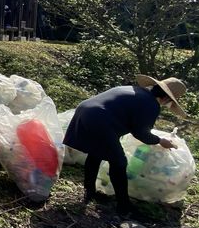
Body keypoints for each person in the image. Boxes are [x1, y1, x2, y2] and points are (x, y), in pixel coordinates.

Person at [63, 75, 185, 216]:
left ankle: (89, 191)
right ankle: (123, 205)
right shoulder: (151, 104)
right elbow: (141, 133)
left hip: (85, 110)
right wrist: (160, 141)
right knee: (119, 162)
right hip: (100, 118)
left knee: (96, 152)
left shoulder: (134, 90)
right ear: (167, 98)